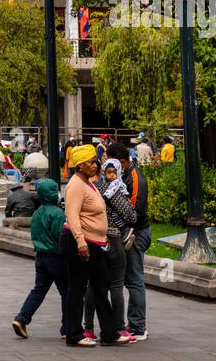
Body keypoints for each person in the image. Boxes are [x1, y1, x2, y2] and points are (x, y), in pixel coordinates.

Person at [62, 144, 129, 347]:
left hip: (96, 242)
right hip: (81, 243)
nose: (96, 165)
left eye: (95, 161)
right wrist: (81, 242)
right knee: (78, 288)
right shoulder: (75, 185)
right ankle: (74, 334)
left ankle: (109, 333)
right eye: (91, 162)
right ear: (80, 166)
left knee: (101, 286)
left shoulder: (88, 182)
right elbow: (72, 216)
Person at [82, 159, 137, 342]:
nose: (112, 175)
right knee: (116, 285)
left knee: (93, 286)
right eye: (110, 172)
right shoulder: (115, 190)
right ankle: (120, 328)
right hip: (113, 239)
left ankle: (88, 328)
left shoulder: (92, 188)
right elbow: (131, 216)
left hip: (94, 240)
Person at [12, 177, 68, 339]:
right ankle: (67, 327)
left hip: (41, 257)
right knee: (66, 292)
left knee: (39, 290)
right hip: (56, 258)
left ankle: (21, 319)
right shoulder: (58, 213)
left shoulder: (37, 213)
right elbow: (61, 236)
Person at [113, 143, 150, 341]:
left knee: (134, 280)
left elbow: (134, 213)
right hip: (126, 233)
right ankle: (133, 323)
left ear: (121, 162)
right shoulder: (122, 177)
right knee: (129, 280)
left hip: (136, 233)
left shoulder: (135, 179)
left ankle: (138, 326)